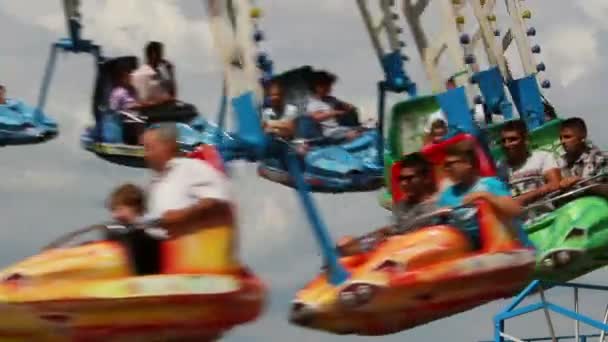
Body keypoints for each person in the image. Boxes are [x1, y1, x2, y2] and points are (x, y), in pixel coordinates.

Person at [143, 123, 237, 271]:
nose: (146, 155)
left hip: (198, 257)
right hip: (165, 258)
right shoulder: (156, 184)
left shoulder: (192, 168)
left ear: (168, 146)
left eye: (150, 148)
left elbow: (220, 203)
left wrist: (183, 216)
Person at [337, 153, 439, 256]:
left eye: (409, 178)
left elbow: (413, 240)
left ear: (425, 178)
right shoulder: (402, 205)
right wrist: (359, 242)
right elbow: (392, 230)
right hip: (392, 249)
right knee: (345, 243)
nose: (403, 184)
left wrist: (363, 246)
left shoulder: (434, 209)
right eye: (401, 179)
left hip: (411, 254)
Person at [437, 140, 523, 249]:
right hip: (469, 250)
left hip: (504, 245)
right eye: (445, 165)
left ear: (468, 163)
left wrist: (485, 196)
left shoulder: (490, 184)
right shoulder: (446, 196)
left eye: (450, 164)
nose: (447, 169)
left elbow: (516, 210)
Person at [496, 119, 561, 205]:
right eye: (503, 141)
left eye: (512, 139)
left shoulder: (543, 157)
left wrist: (525, 198)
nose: (507, 145)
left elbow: (555, 184)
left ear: (526, 140)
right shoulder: (500, 166)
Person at [106, 183, 162, 275]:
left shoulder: (149, 237)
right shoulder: (113, 234)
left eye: (120, 209)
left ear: (136, 208)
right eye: (114, 210)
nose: (115, 215)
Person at [306, 70, 360, 141]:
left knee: (359, 130)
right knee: (351, 134)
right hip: (328, 132)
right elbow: (316, 117)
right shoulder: (313, 103)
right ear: (318, 87)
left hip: (338, 128)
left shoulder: (330, 99)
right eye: (327, 86)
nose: (330, 89)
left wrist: (348, 107)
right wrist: (334, 113)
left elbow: (345, 105)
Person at [558, 117, 608, 189]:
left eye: (567, 137)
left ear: (582, 137)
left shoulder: (600, 159)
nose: (562, 141)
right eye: (561, 138)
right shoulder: (559, 162)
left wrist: (582, 182)